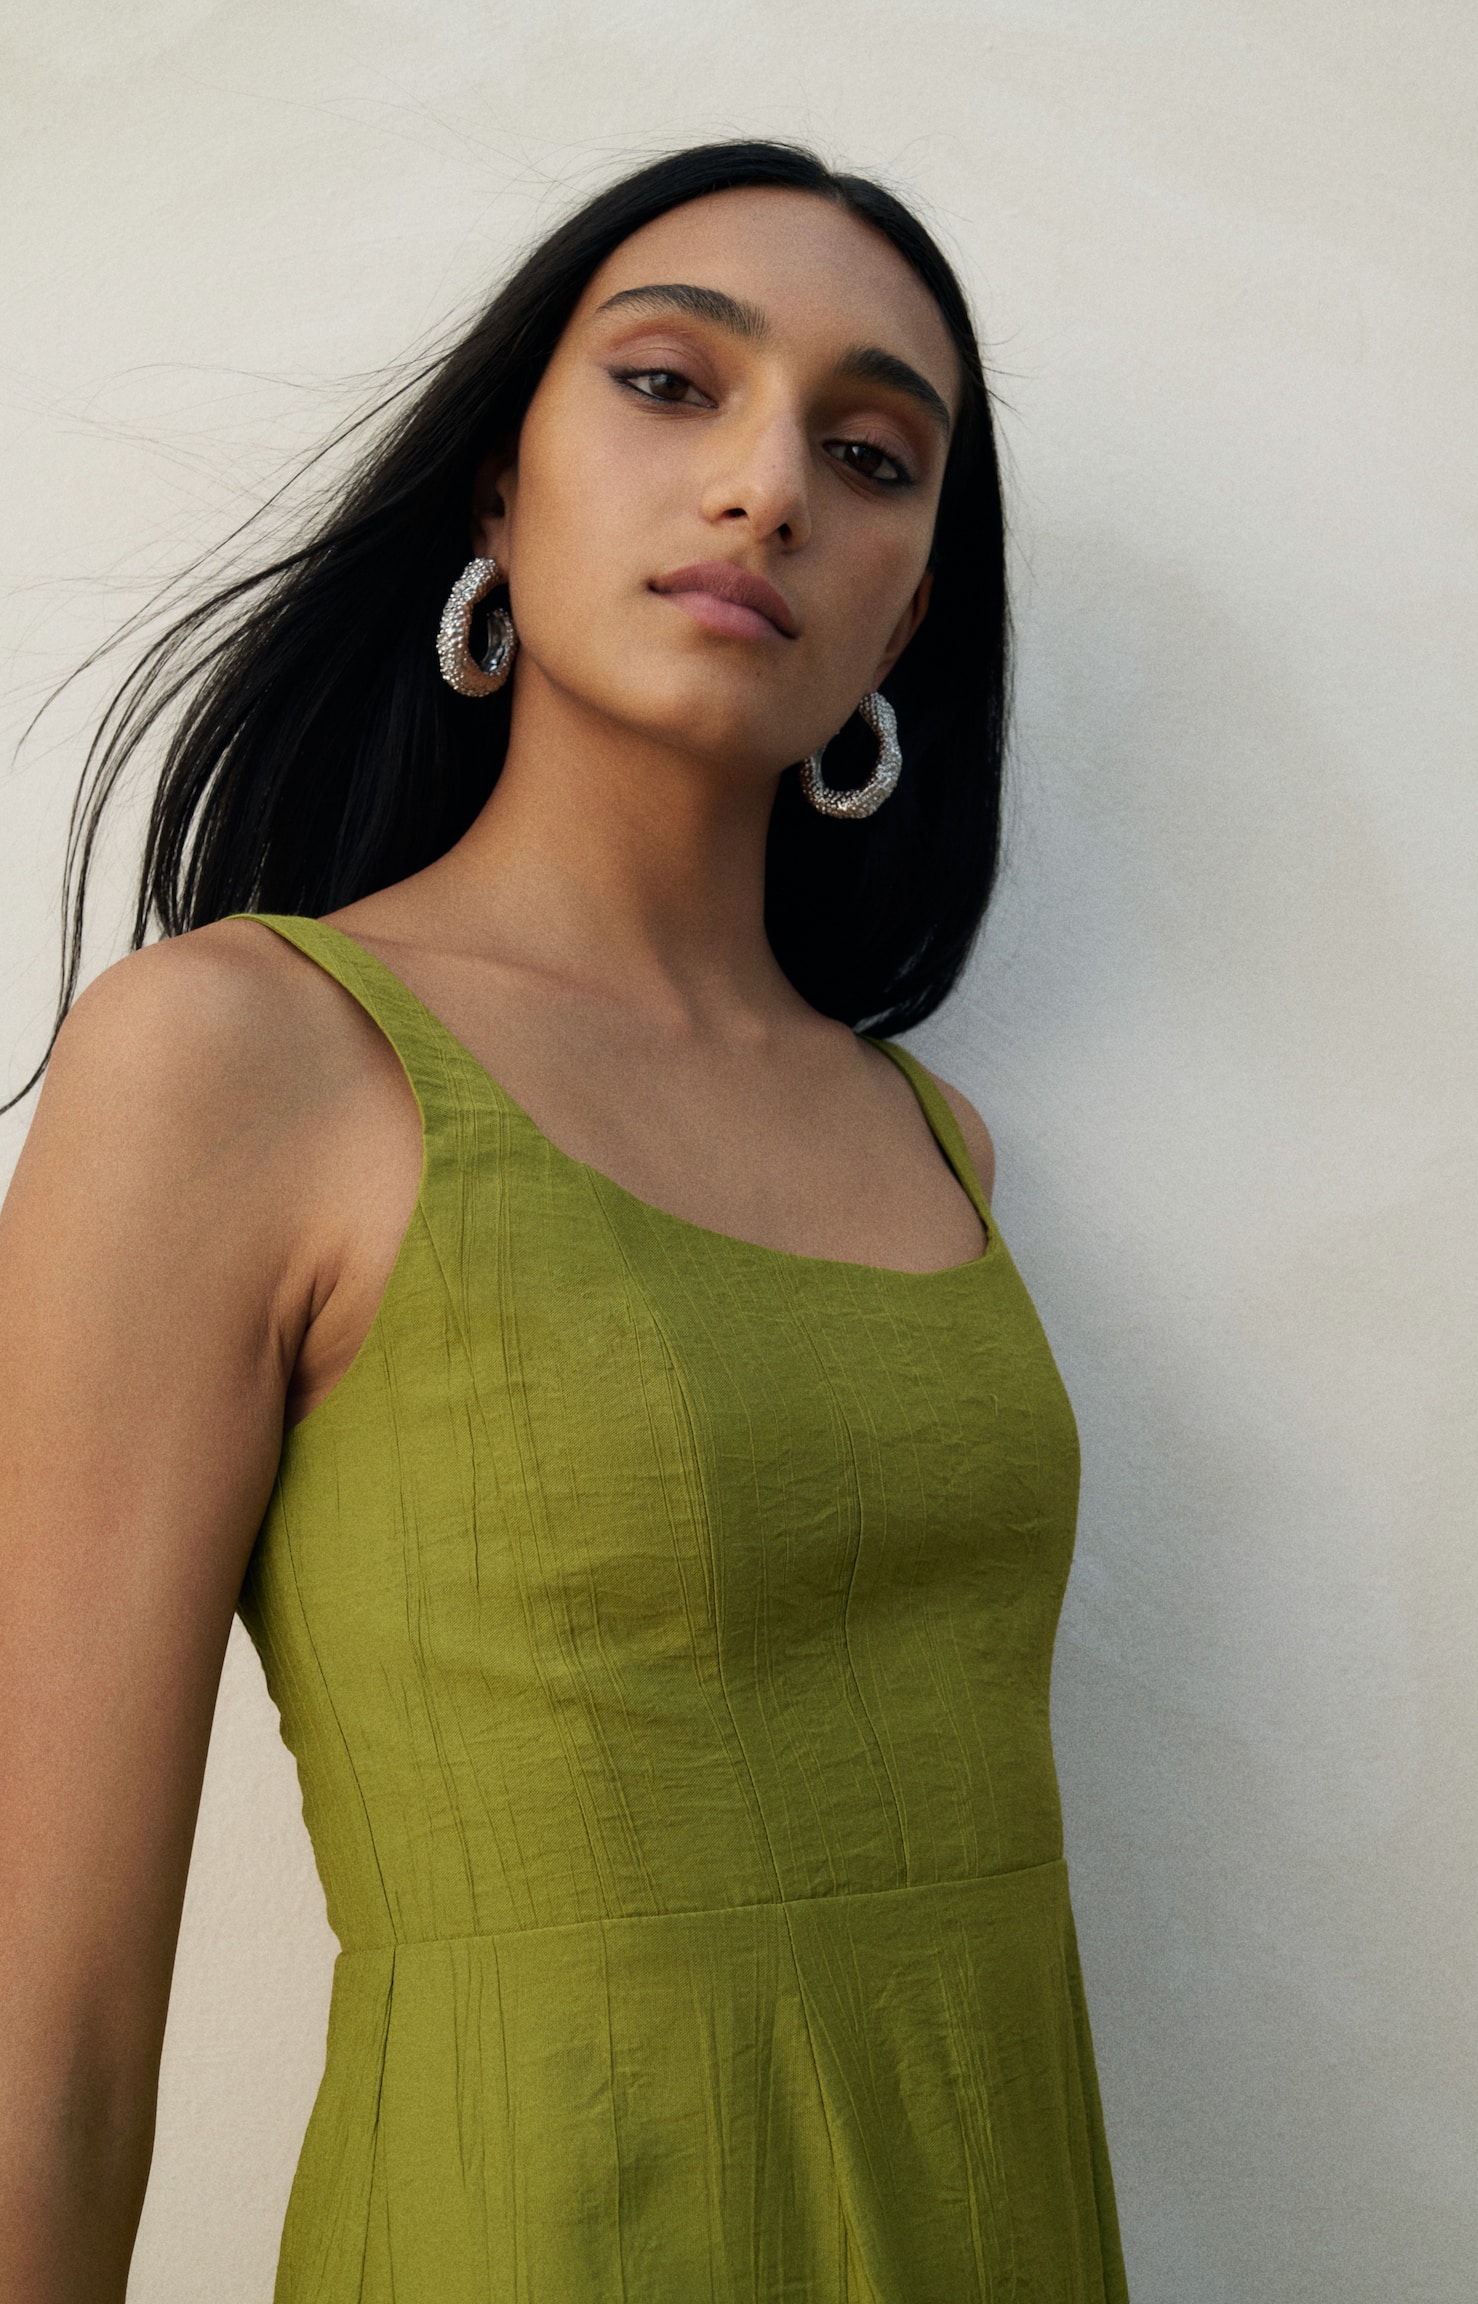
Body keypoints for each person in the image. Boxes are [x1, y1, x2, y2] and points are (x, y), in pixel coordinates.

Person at [0, 141, 1125, 2302]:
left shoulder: (938, 1145)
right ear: (499, 501)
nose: (768, 488)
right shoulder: (240, 1061)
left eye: (871, 455)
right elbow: (42, 2044)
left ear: (906, 613)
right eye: (672, 385)